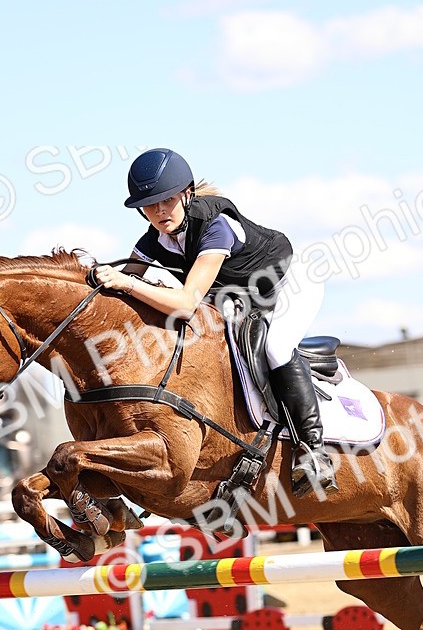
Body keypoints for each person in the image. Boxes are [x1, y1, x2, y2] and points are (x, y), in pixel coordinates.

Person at [94, 147, 337, 497]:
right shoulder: (153, 240)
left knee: (275, 346)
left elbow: (185, 302)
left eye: (167, 201)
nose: (159, 212)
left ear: (186, 193)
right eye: (150, 205)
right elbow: (119, 283)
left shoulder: (215, 226)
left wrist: (130, 283)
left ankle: (314, 450)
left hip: (287, 286)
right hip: (240, 298)